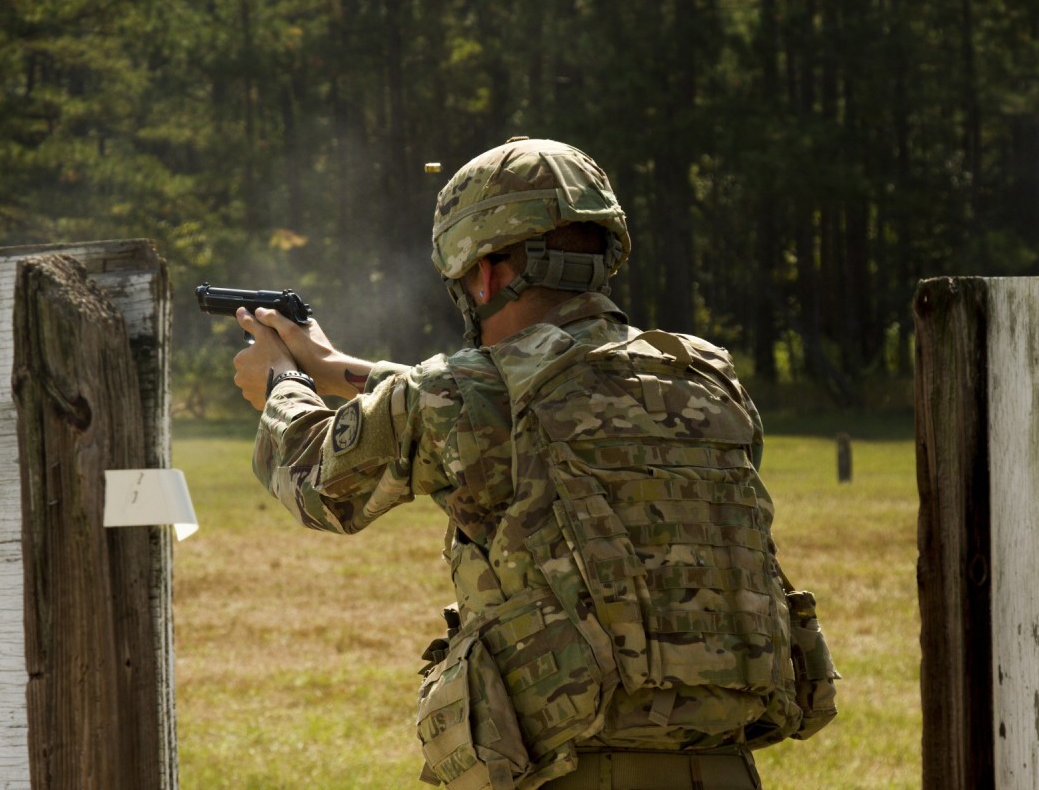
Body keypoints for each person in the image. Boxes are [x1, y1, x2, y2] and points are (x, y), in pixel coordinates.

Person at [230, 137, 838, 790]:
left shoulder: (464, 397)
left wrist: (282, 384)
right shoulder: (705, 376)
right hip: (725, 771)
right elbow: (535, 407)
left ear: (484, 275)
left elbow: (316, 480)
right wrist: (335, 367)